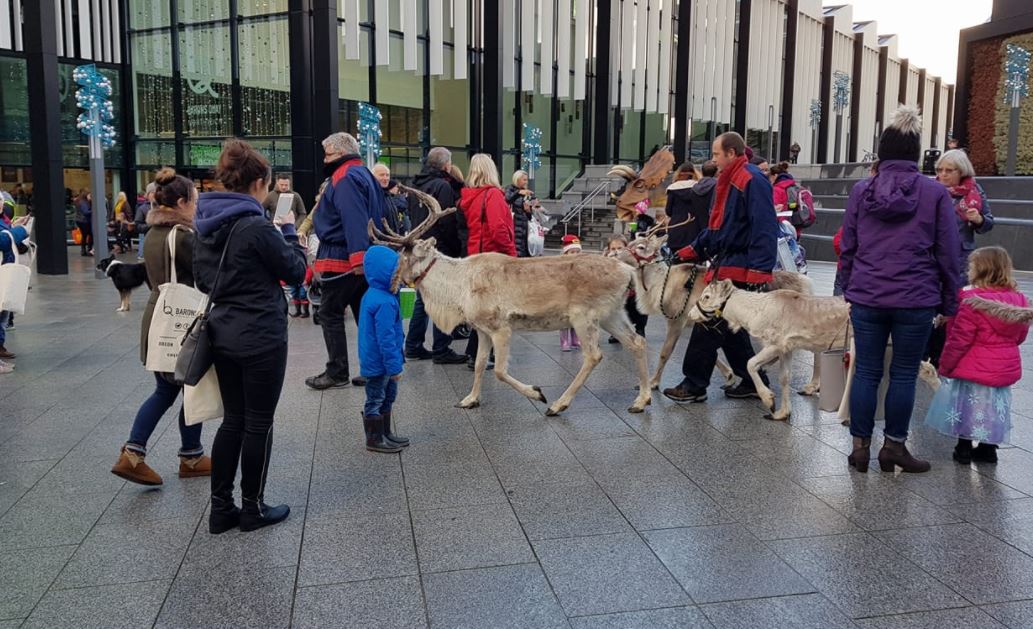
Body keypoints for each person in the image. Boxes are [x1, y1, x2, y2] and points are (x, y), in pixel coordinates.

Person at [839, 106, 961, 474]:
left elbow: (849, 245)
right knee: (904, 374)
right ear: (916, 154)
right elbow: (948, 252)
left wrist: (848, 287)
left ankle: (860, 449)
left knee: (866, 373)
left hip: (867, 295)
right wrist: (950, 301)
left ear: (883, 151)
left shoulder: (863, 190)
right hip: (916, 298)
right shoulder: (934, 193)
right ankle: (894, 446)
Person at [194, 139, 307, 533]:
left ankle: (220, 508)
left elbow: (202, 279)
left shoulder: (205, 223)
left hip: (222, 332)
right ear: (259, 182)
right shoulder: (257, 226)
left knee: (232, 421)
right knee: (259, 422)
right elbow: (295, 272)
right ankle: (252, 508)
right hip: (260, 334)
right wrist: (290, 233)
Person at [110, 168, 212, 486]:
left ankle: (188, 453)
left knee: (169, 389)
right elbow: (207, 276)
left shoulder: (154, 234)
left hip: (159, 320)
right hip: (182, 324)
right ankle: (143, 453)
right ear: (181, 202)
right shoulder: (182, 237)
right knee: (182, 389)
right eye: (194, 200)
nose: (197, 206)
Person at [663, 132, 780, 403]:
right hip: (729, 263)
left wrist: (758, 272)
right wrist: (691, 250)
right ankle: (754, 381)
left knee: (708, 323)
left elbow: (764, 226)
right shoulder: (730, 179)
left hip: (739, 266)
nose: (712, 160)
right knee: (729, 329)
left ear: (731, 153)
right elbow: (718, 229)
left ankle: (694, 384)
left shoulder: (750, 179)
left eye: (716, 154)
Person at [925, 246, 1031, 465]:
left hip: (971, 368)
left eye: (971, 266)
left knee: (966, 405)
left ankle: (963, 449)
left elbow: (959, 338)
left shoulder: (971, 301)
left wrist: (946, 364)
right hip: (1002, 369)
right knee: (993, 407)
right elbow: (1019, 337)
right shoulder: (1019, 301)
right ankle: (988, 449)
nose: (968, 270)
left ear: (981, 270)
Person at [305, 132, 387, 390]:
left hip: (343, 257)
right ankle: (373, 368)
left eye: (328, 154)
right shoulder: (364, 174)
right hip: (363, 255)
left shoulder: (344, 177)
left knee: (329, 313)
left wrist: (357, 258)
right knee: (364, 314)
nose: (325, 159)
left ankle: (337, 372)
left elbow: (353, 218)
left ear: (340, 153)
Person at [405, 147, 469, 364]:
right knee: (442, 299)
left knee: (423, 299)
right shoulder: (442, 186)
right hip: (438, 250)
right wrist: (455, 249)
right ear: (446, 165)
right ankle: (441, 348)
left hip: (419, 248)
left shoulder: (416, 184)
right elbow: (448, 222)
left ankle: (413, 345)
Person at [358, 245, 409, 454]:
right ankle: (374, 438)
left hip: (377, 360)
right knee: (377, 399)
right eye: (398, 273)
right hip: (381, 363)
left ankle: (384, 433)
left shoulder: (375, 294)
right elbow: (386, 338)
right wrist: (395, 367)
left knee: (386, 397)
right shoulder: (385, 302)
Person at [935, 149, 994, 281]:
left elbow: (988, 223)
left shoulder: (975, 190)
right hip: (934, 253)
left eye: (949, 170)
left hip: (961, 256)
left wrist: (979, 219)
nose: (943, 174)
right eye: (939, 170)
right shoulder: (932, 189)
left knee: (959, 295)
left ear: (962, 171)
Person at [665, 161, 716, 253]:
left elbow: (668, 211)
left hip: (676, 230)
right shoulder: (699, 188)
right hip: (695, 233)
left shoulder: (672, 189)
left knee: (676, 264)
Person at [605, 235, 648, 342]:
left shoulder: (632, 259)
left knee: (640, 305)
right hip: (616, 295)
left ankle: (640, 329)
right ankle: (617, 332)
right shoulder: (605, 261)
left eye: (619, 248)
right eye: (613, 249)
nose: (616, 251)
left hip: (632, 293)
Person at [0, 215, 29, 368]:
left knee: (3, 312)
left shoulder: (2, 220)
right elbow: (3, 241)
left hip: (4, 272)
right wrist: (21, 229)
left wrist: (12, 227)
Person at [559, 235, 583, 351]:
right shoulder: (561, 266)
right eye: (572, 252)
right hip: (564, 296)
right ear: (565, 253)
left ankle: (575, 340)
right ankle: (564, 341)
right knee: (564, 320)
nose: (575, 254)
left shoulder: (580, 266)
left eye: (577, 252)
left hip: (577, 296)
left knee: (576, 318)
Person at [372, 163, 409, 234]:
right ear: (373, 177)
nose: (385, 178)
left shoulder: (388, 196)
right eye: (381, 175)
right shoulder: (372, 196)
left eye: (387, 175)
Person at [506, 170, 535, 258]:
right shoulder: (510, 189)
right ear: (517, 179)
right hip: (513, 224)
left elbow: (530, 216)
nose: (526, 182)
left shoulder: (526, 192)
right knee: (515, 250)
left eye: (526, 180)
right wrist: (518, 193)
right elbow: (507, 199)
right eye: (524, 180)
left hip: (524, 227)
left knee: (524, 251)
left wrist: (528, 210)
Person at [135, 183, 156, 260]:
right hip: (149, 242)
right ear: (148, 194)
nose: (155, 195)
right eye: (152, 192)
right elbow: (137, 226)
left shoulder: (164, 207)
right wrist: (150, 225)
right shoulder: (142, 209)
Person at [75, 191, 93, 256]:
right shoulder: (83, 202)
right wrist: (94, 210)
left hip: (80, 221)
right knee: (90, 234)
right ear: (86, 195)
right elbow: (85, 212)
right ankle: (88, 249)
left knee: (84, 235)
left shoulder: (80, 201)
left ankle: (84, 250)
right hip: (84, 221)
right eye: (89, 195)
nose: (90, 197)